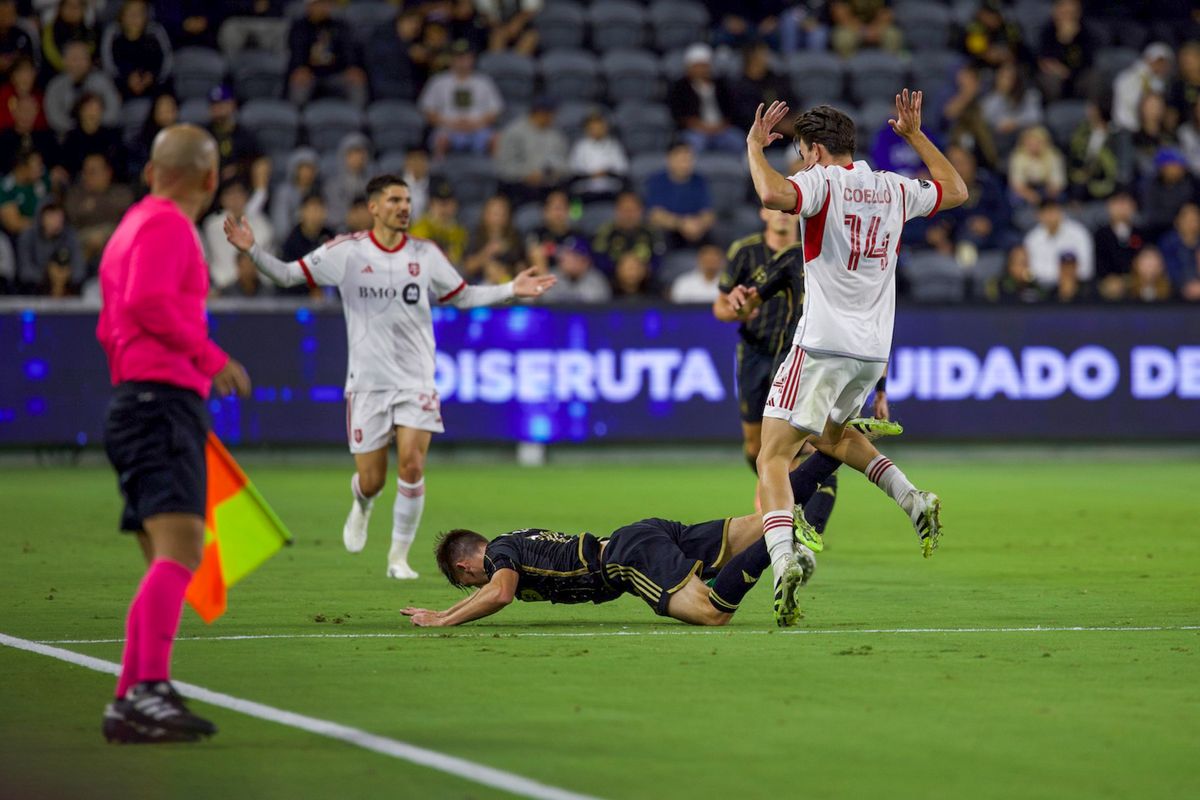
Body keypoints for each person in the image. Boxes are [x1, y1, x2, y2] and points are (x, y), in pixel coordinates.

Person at [225, 174, 555, 579]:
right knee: (373, 479)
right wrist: (253, 250)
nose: (404, 207)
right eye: (395, 200)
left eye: (407, 200)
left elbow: (463, 295)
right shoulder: (346, 252)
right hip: (367, 383)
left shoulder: (425, 253)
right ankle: (361, 504)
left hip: (416, 379)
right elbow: (288, 275)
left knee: (412, 465)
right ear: (374, 207)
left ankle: (398, 557)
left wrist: (510, 289)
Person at [745, 92, 967, 626]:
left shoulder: (821, 181)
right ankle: (912, 497)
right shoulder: (892, 187)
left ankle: (783, 563)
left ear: (817, 150)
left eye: (800, 152)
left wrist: (755, 146)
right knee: (831, 436)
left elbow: (775, 194)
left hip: (821, 341)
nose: (800, 161)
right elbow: (956, 190)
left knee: (771, 458)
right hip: (871, 351)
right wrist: (915, 136)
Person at [97, 123, 252, 744]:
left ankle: (130, 698)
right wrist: (211, 359)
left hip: (138, 399)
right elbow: (146, 303)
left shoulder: (131, 224)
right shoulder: (167, 226)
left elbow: (114, 323)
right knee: (183, 550)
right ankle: (148, 690)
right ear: (211, 179)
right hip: (160, 403)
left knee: (168, 554)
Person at [405, 513, 815, 628]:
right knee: (760, 520)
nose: (477, 585)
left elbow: (499, 593)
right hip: (640, 534)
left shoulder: (499, 553)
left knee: (713, 613)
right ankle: (828, 454)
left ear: (465, 566)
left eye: (468, 582)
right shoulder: (513, 540)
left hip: (625, 559)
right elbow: (493, 589)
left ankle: (776, 547)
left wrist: (444, 618)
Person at [417, 40, 502, 159]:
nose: (463, 62)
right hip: (448, 128)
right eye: (459, 58)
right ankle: (438, 172)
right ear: (451, 59)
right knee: (440, 140)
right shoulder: (438, 81)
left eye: (466, 58)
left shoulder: (484, 81)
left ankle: (495, 174)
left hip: (478, 128)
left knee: (496, 139)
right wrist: (450, 123)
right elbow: (428, 111)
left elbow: (495, 111)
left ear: (472, 59)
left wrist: (476, 124)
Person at [286, 0, 367, 108]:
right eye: (318, 4)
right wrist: (299, 68)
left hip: (336, 73)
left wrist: (352, 67)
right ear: (309, 6)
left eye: (325, 4)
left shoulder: (340, 26)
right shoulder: (299, 27)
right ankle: (295, 118)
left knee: (357, 77)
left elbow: (348, 52)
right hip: (310, 73)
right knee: (298, 78)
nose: (322, 7)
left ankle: (359, 118)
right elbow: (296, 54)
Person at [666, 43, 742, 154]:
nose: (701, 70)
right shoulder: (680, 87)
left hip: (721, 129)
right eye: (697, 66)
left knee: (738, 140)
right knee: (693, 143)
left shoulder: (721, 85)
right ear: (689, 67)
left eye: (704, 66)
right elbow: (678, 114)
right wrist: (700, 126)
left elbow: (732, 109)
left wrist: (721, 125)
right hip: (695, 130)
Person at [494, 96, 568, 207]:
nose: (553, 116)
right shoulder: (513, 132)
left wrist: (556, 171)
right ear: (539, 113)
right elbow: (504, 167)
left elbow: (564, 162)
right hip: (520, 185)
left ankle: (573, 219)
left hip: (549, 184)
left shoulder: (556, 134)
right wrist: (526, 174)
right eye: (550, 113)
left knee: (570, 193)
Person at [64, 152, 134, 267]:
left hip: (114, 241)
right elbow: (72, 215)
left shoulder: (122, 192)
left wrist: (91, 207)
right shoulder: (75, 194)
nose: (87, 176)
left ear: (107, 173)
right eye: (85, 172)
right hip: (83, 243)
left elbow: (125, 212)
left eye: (92, 172)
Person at [644, 141, 715, 250]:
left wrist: (699, 225)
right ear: (669, 159)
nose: (685, 164)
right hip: (669, 232)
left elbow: (709, 214)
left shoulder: (700, 181)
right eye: (681, 159)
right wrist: (682, 224)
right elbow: (655, 215)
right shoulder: (656, 181)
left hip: (695, 231)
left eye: (688, 159)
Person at [43, 40, 122, 136]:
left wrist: (94, 124)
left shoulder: (102, 81)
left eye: (82, 58)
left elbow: (113, 110)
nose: (78, 64)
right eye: (74, 59)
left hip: (101, 134)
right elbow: (54, 116)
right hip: (69, 136)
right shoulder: (56, 86)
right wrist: (78, 127)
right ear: (64, 61)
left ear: (89, 61)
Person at [99, 0, 173, 100]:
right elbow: (107, 63)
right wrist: (125, 78)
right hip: (120, 87)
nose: (134, 17)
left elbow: (167, 60)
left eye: (139, 13)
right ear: (122, 16)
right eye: (130, 13)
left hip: (154, 86)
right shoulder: (113, 33)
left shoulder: (156, 32)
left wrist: (152, 76)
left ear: (146, 16)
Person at [1023, 196, 1094, 287]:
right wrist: (1062, 274)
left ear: (1061, 212)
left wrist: (1066, 277)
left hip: (1076, 284)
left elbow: (1086, 269)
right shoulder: (1032, 238)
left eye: (1053, 211)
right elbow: (1032, 270)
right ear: (1038, 216)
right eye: (1046, 212)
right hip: (1044, 287)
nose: (1051, 216)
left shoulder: (1079, 233)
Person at [16, 200, 84, 292]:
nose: (56, 220)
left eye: (59, 215)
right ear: (41, 218)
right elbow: (25, 271)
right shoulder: (28, 236)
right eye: (51, 215)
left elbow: (79, 269)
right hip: (36, 289)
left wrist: (65, 276)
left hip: (67, 288)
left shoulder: (70, 236)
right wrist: (48, 275)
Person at [1035, 0, 1094, 103]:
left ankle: (1093, 111)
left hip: (1079, 77)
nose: (1068, 17)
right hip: (1055, 76)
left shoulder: (1085, 32)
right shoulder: (1047, 31)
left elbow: (1087, 61)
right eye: (1064, 12)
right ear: (1056, 12)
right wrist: (1063, 40)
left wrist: (1071, 40)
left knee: (1094, 78)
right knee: (1049, 81)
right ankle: (1053, 112)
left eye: (1072, 13)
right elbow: (1044, 60)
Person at [1093, 190, 1146, 301]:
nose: (1121, 208)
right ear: (1109, 207)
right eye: (1117, 203)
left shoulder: (1142, 233)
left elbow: (1144, 258)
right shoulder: (1100, 235)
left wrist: (1132, 279)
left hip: (1137, 280)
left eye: (1125, 203)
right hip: (1108, 281)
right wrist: (1110, 279)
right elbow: (1099, 263)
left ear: (1133, 207)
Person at [567, 108, 628, 202]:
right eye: (593, 128)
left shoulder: (614, 145)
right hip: (586, 185)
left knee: (624, 190)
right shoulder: (580, 146)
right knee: (573, 194)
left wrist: (605, 172)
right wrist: (592, 174)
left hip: (610, 185)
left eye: (600, 127)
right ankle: (576, 215)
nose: (597, 131)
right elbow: (574, 169)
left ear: (606, 127)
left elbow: (622, 168)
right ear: (586, 129)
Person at [462, 194, 524, 284]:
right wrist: (488, 252)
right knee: (491, 268)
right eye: (495, 214)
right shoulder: (474, 235)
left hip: (511, 281)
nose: (499, 218)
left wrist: (507, 270)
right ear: (485, 215)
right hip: (481, 284)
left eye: (503, 214)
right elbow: (468, 267)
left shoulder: (515, 236)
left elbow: (521, 266)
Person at [409, 179, 468, 264]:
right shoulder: (419, 229)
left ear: (455, 205)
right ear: (431, 204)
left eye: (448, 203)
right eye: (440, 204)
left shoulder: (460, 232)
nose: (444, 209)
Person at [323, 132, 373, 232]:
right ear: (344, 156)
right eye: (352, 154)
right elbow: (330, 215)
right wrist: (351, 218)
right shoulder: (332, 185)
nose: (357, 158)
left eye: (360, 153)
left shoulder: (374, 182)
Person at [525, 188, 580, 273]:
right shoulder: (536, 233)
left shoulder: (578, 234)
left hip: (574, 278)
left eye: (562, 208)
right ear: (545, 212)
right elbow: (532, 254)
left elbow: (584, 259)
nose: (558, 213)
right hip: (547, 275)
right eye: (555, 208)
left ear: (568, 211)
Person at [541, 234, 610, 304]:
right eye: (565, 254)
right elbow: (545, 306)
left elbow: (601, 311)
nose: (565, 258)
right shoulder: (551, 277)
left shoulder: (597, 281)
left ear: (585, 260)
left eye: (572, 255)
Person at [0, 147, 50, 237]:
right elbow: (14, 224)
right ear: (22, 167)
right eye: (37, 165)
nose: (41, 169)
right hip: (17, 239)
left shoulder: (42, 180)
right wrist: (45, 224)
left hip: (46, 233)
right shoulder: (6, 188)